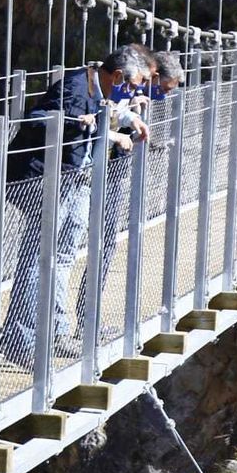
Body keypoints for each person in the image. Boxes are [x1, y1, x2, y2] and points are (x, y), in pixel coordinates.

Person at [3, 45, 151, 367]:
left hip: (75, 181)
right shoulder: (73, 87)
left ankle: (56, 331)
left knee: (64, 256)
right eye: (130, 85)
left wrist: (129, 119)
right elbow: (36, 120)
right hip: (45, 181)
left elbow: (106, 115)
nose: (131, 92)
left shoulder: (100, 88)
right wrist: (79, 123)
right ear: (115, 76)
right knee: (39, 259)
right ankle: (18, 339)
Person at [78, 49, 184, 323]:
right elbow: (98, 119)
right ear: (153, 77)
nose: (164, 96)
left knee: (105, 241)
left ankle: (87, 316)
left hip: (109, 168)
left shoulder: (128, 90)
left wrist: (131, 112)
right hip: (93, 170)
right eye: (163, 89)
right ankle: (85, 318)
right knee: (96, 243)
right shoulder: (118, 83)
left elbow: (115, 114)